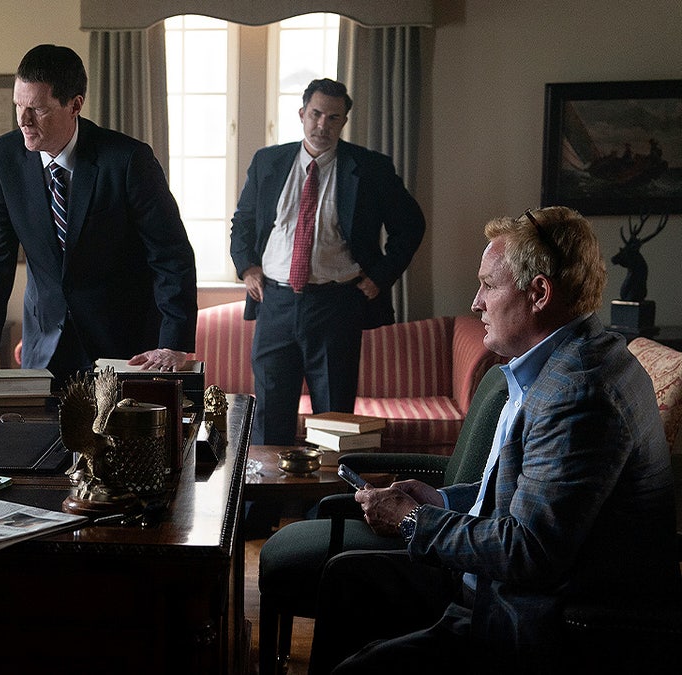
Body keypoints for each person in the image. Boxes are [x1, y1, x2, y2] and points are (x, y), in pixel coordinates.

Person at [308, 207, 679, 674]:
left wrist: (413, 521)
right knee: (346, 580)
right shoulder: (559, 362)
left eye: (488, 285)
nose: (475, 302)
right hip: (502, 582)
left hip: (543, 619)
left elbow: (529, 549)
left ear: (539, 293)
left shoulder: (579, 391)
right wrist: (440, 499)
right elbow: (521, 499)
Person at [0, 43, 197, 396]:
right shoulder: (3, 158)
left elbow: (171, 256)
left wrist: (173, 343)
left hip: (124, 348)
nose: (23, 121)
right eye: (18, 105)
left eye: (37, 109)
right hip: (43, 348)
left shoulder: (127, 160)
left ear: (75, 105)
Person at [229, 78, 425, 445]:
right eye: (316, 114)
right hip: (275, 303)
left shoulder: (370, 169)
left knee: (333, 420)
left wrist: (380, 276)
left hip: (337, 305)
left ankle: (327, 502)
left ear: (343, 122)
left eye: (333, 118)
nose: (323, 125)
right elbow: (244, 222)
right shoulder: (268, 162)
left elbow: (411, 226)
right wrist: (247, 266)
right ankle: (267, 503)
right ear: (302, 114)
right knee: (270, 415)